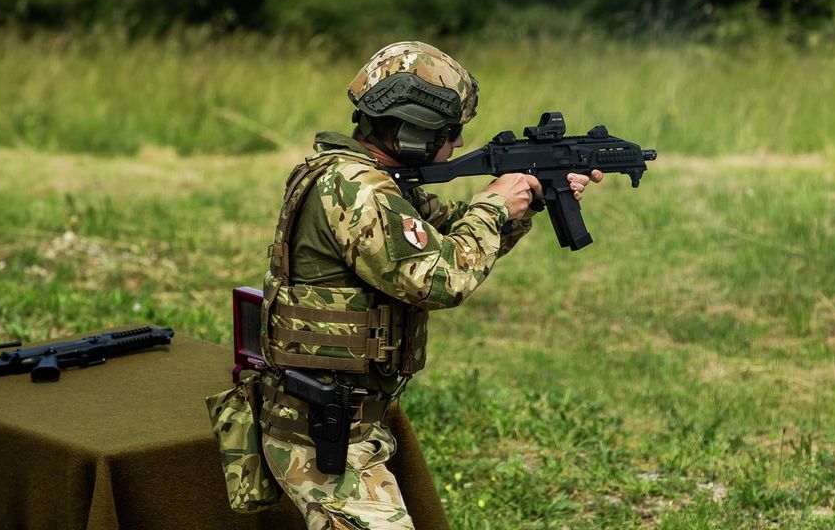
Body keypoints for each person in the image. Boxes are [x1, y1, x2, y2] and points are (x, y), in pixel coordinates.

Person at [257, 40, 602, 530]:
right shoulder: (358, 190)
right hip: (324, 437)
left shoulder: (371, 181)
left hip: (342, 420)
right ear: (415, 130)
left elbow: (449, 234)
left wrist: (526, 199)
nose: (459, 144)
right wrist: (495, 205)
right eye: (451, 132)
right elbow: (441, 279)